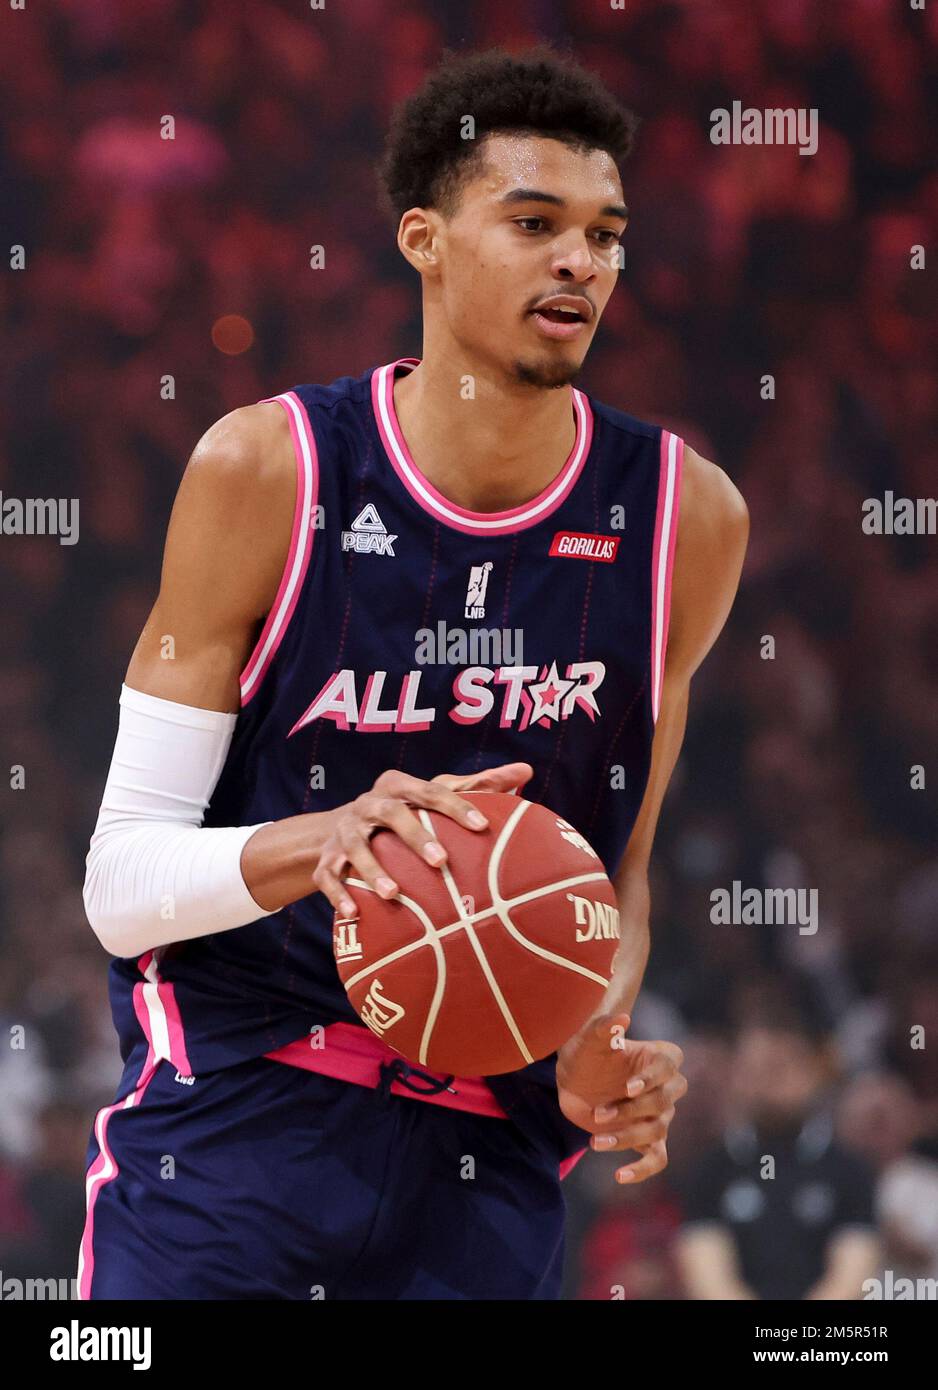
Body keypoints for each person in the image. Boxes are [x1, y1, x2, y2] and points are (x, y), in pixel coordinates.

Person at [79, 45, 748, 1300]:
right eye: (534, 221)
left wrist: (592, 1046)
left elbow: (616, 876)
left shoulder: (683, 517)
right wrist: (326, 836)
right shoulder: (267, 471)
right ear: (423, 240)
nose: (581, 261)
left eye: (605, 234)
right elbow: (119, 886)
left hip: (484, 1165)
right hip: (232, 1133)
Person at [676, 1013, 879, 1300]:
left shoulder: (850, 1171)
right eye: (757, 1069)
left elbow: (852, 1275)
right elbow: (709, 1279)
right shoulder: (710, 1171)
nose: (770, 1081)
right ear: (737, 1076)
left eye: (781, 1067)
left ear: (814, 1072)